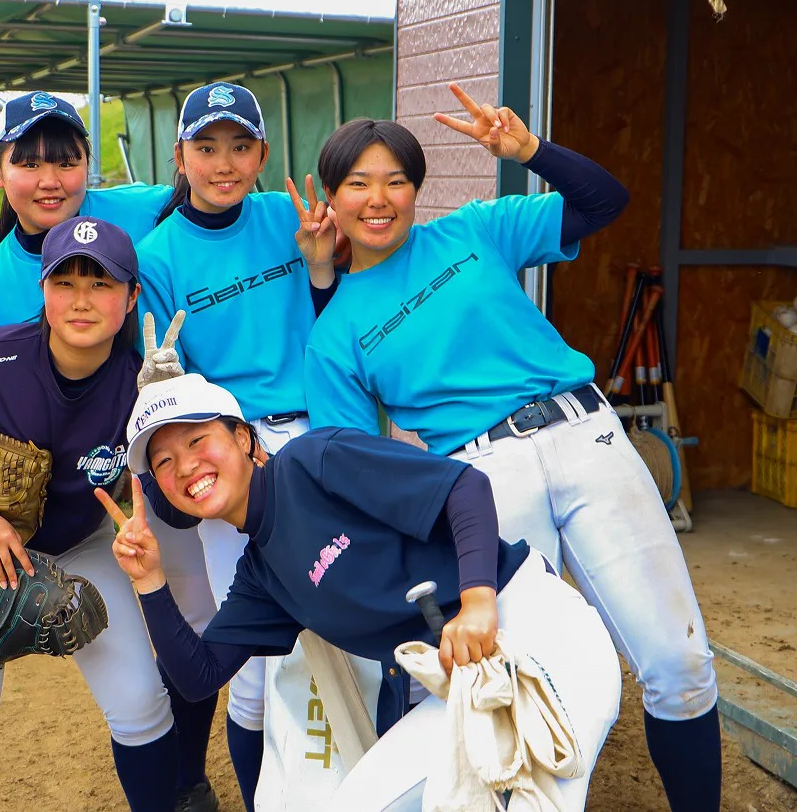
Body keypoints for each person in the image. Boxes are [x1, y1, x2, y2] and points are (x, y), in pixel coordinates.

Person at [301, 83, 720, 811]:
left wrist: (528, 151)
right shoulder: (334, 332)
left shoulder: (474, 231)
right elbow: (356, 466)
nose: (379, 198)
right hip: (480, 480)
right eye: (357, 183)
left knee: (679, 661)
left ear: (416, 189)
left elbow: (604, 203)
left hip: (583, 432)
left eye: (396, 180)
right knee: (518, 680)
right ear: (328, 197)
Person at [97, 373, 622, 811]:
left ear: (243, 437)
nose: (185, 466)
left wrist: (479, 600)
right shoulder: (261, 574)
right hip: (468, 686)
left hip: (536, 634)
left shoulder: (311, 460)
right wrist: (149, 582)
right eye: (162, 461)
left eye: (196, 441)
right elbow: (198, 676)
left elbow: (464, 489)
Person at [0, 89, 220, 812]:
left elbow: (209, 188)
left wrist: (323, 259)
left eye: (64, 160)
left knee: (180, 635)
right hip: (15, 506)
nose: (49, 178)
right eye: (27, 161)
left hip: (121, 472)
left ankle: (186, 780)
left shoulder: (133, 211)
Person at [0, 216, 180, 812]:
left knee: (142, 700)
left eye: (102, 284)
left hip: (82, 542)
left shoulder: (141, 382)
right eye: (66, 282)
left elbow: (173, 484)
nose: (82, 300)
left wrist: (172, 409)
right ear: (43, 289)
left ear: (132, 297)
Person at [134, 81, 337, 810]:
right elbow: (171, 386)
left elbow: (336, 322)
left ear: (263, 155)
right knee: (253, 653)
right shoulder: (158, 253)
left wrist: (319, 268)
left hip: (316, 435)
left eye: (240, 146)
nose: (224, 162)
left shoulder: (288, 216)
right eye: (206, 146)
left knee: (338, 613)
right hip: (232, 449)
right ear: (180, 156)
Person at [0, 90, 173, 337]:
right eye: (30, 165)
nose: (50, 181)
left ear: (87, 166)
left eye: (66, 164)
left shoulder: (148, 209)